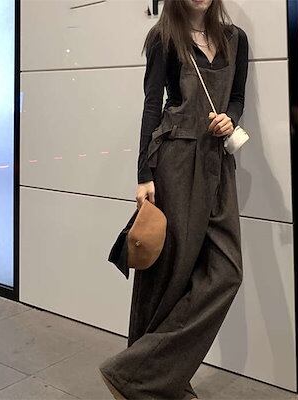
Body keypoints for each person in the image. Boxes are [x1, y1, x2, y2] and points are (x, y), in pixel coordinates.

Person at [99, 0, 249, 398]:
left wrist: (231, 118)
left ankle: (137, 374)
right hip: (176, 160)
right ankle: (158, 384)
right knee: (169, 274)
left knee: (226, 273)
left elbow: (237, 97)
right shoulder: (163, 37)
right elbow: (153, 105)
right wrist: (143, 175)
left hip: (218, 162)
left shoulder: (236, 39)